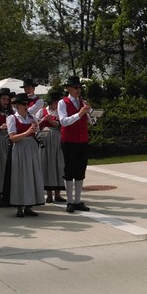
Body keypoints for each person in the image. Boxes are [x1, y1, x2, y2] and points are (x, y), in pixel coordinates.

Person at [57, 75, 93, 213]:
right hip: (69, 141)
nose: (79, 90)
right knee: (69, 171)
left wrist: (90, 113)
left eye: (79, 87)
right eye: (76, 87)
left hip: (82, 141)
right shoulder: (63, 103)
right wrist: (79, 114)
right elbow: (63, 121)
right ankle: (70, 201)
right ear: (69, 89)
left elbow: (91, 122)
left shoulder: (82, 102)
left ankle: (78, 200)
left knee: (80, 171)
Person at [7, 92, 45, 217]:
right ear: (17, 105)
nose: (26, 106)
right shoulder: (12, 118)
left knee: (32, 175)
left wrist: (41, 134)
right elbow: (12, 138)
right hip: (20, 148)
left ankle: (29, 205)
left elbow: (37, 133)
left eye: (27, 104)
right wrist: (27, 132)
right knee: (20, 176)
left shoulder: (32, 118)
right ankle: (19, 206)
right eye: (23, 104)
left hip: (32, 147)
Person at [38, 90, 66, 203]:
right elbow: (35, 124)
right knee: (47, 164)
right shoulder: (42, 111)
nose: (57, 104)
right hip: (45, 139)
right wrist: (43, 120)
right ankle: (49, 194)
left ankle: (58, 194)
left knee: (58, 164)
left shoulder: (60, 112)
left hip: (57, 139)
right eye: (55, 102)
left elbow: (63, 125)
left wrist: (53, 122)